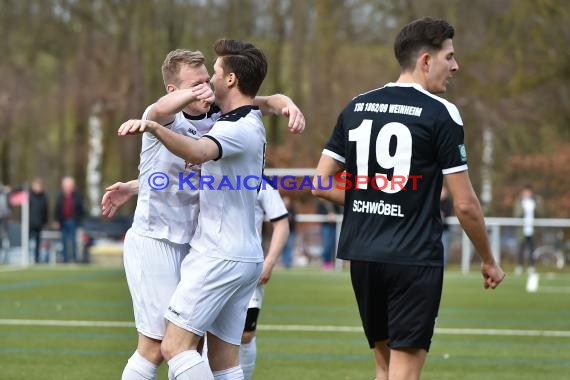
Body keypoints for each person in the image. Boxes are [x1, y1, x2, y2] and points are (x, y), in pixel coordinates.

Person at [312, 17, 506, 380]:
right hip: (413, 259)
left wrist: (369, 198)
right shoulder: (441, 113)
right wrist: (488, 259)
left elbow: (320, 183)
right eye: (449, 56)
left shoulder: (357, 105)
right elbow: (464, 204)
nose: (455, 66)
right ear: (426, 61)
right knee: (404, 372)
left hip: (364, 256)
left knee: (384, 368)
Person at [102, 48, 304, 380]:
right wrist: (138, 180)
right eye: (195, 85)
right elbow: (156, 113)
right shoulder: (163, 117)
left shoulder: (221, 120)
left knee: (192, 349)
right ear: (173, 91)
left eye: (206, 80)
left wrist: (289, 105)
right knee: (156, 347)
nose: (205, 90)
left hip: (199, 246)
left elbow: (264, 101)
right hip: (156, 241)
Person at [241, 180, 289, 379]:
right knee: (204, 333)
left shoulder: (262, 184)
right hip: (209, 265)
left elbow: (282, 224)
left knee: (245, 335)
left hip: (248, 269)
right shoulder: (209, 176)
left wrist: (269, 262)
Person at [513, 184, 543, 275]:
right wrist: (524, 208)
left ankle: (531, 267)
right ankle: (519, 266)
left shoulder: (537, 201)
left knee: (532, 249)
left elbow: (541, 213)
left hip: (533, 230)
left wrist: (534, 208)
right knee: (520, 249)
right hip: (522, 230)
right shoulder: (519, 201)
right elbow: (516, 214)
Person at [54, 176, 84, 263]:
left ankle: (74, 259)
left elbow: (81, 209)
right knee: (63, 241)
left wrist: (79, 219)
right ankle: (65, 259)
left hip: (73, 221)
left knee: (73, 240)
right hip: (63, 221)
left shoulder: (77, 195)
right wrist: (56, 220)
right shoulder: (60, 196)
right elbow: (57, 209)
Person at [316, 199, 341, 270]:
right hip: (326, 226)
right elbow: (319, 212)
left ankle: (333, 263)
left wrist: (334, 215)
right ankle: (326, 263)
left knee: (334, 245)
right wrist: (327, 215)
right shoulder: (321, 203)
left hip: (334, 226)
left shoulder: (335, 202)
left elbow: (339, 211)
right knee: (327, 245)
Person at [29, 178, 49, 263]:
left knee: (38, 242)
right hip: (29, 223)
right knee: (27, 241)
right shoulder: (29, 195)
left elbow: (45, 210)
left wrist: (45, 222)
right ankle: (27, 257)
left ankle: (36, 259)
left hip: (39, 223)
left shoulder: (44, 197)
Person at [281, 195, 297, 268]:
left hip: (291, 231)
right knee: (283, 247)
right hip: (282, 232)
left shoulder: (292, 210)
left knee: (289, 247)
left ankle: (288, 263)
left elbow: (293, 220)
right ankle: (284, 262)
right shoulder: (280, 210)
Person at [440, 185, 453, 267]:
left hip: (445, 230)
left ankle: (444, 266)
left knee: (444, 249)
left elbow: (447, 213)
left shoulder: (448, 203)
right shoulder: (433, 201)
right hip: (435, 230)